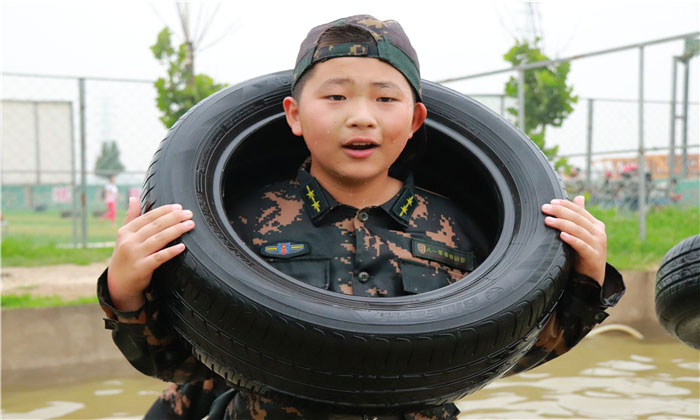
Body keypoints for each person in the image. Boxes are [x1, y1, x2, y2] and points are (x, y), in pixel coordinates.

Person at [98, 15, 624, 420]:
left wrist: (586, 280)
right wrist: (125, 291)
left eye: (385, 97)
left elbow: (509, 355)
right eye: (335, 95)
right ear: (295, 115)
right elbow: (182, 364)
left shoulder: (465, 232)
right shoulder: (232, 224)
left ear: (415, 120)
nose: (361, 115)